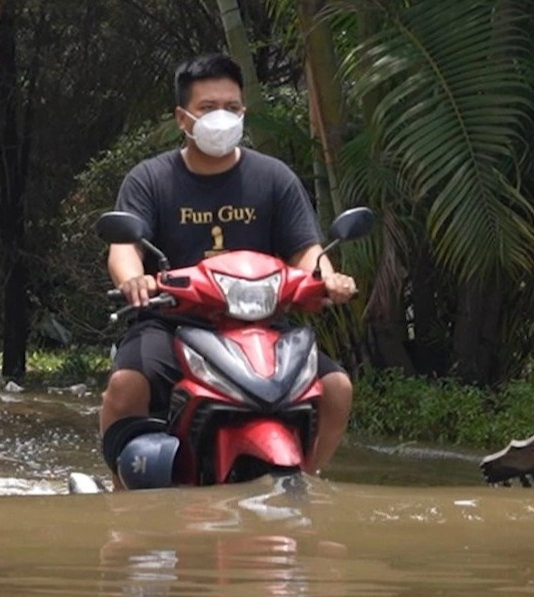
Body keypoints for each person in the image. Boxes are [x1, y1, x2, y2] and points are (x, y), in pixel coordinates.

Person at [99, 53, 358, 489]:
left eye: (232, 108)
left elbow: (306, 251)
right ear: (183, 118)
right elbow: (123, 245)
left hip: (264, 326)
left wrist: (326, 278)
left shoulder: (274, 178)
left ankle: (308, 478)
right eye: (207, 108)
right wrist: (133, 280)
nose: (222, 117)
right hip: (172, 321)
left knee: (336, 388)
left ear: (244, 111)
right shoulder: (150, 179)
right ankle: (120, 489)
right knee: (127, 385)